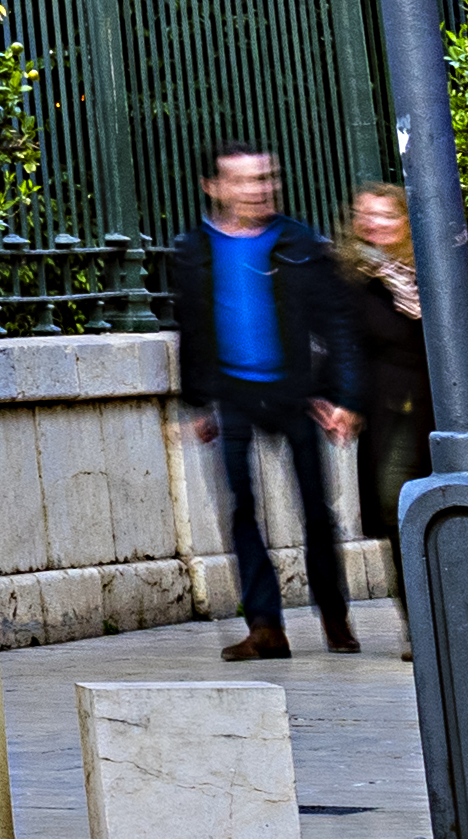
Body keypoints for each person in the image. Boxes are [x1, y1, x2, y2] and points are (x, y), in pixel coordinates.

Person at [176, 145, 365, 659]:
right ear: (214, 188)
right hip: (232, 395)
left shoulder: (299, 243)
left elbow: (338, 325)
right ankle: (265, 627)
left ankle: (334, 616)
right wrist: (196, 403)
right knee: (242, 511)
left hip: (296, 393)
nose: (258, 189)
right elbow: (191, 329)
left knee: (317, 512)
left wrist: (341, 396)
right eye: (244, 180)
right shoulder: (192, 250)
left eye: (265, 178)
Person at [352, 187, 436, 647]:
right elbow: (344, 346)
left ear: (407, 220)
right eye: (366, 216)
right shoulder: (357, 277)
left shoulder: (439, 265)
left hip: (443, 405)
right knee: (396, 508)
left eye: (386, 215)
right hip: (392, 413)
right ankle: (419, 623)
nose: (374, 224)